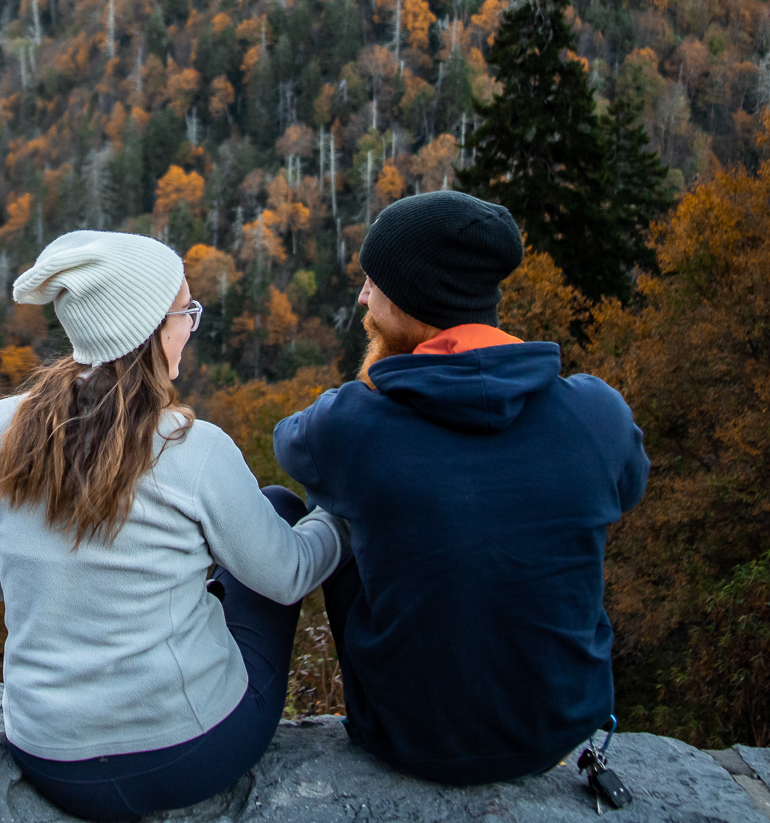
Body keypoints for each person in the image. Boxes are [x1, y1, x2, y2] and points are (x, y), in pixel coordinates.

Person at [0, 230, 346, 822]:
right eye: (186, 311)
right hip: (189, 754)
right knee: (281, 508)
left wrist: (63, 579)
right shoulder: (193, 448)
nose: (191, 325)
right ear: (149, 329)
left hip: (47, 756)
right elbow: (288, 579)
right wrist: (342, 519)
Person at [272, 190, 649, 787]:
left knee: (331, 500)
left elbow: (287, 441)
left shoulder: (352, 426)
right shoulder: (597, 415)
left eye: (374, 283)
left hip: (406, 735)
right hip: (558, 726)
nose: (363, 296)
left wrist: (381, 383)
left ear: (416, 298)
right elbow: (629, 487)